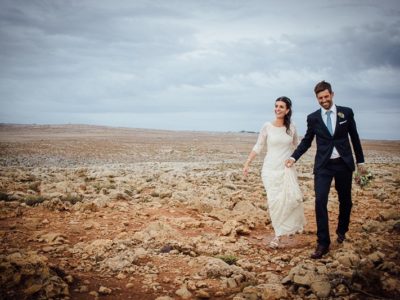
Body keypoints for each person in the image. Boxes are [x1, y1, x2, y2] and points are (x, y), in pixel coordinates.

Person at [286, 80, 365, 259]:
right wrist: (293, 157)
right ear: (317, 98)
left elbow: (355, 137)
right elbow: (307, 141)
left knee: (346, 200)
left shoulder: (346, 113)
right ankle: (323, 243)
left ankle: (342, 230)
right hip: (324, 165)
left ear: (332, 95)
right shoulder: (313, 118)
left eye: (326, 96)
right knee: (320, 201)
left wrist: (361, 162)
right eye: (320, 98)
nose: (323, 100)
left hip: (344, 164)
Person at [243, 96, 306, 249]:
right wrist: (247, 163)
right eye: (276, 106)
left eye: (281, 107)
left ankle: (283, 231)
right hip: (269, 170)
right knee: (274, 202)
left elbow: (297, 146)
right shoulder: (267, 126)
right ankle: (278, 234)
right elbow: (258, 146)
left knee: (287, 199)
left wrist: (292, 159)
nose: (278, 109)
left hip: (285, 170)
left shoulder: (291, 127)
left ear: (287, 110)